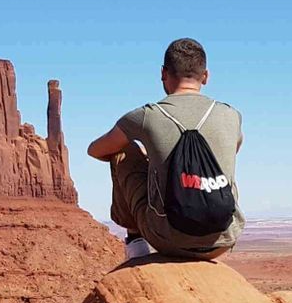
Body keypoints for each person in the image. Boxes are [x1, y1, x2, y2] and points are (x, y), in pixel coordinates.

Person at [87, 38, 243, 260]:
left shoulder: (146, 115)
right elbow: (234, 148)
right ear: (206, 76)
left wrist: (151, 160)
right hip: (223, 240)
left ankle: (135, 243)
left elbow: (95, 150)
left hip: (168, 239)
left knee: (123, 150)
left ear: (163, 73)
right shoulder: (231, 115)